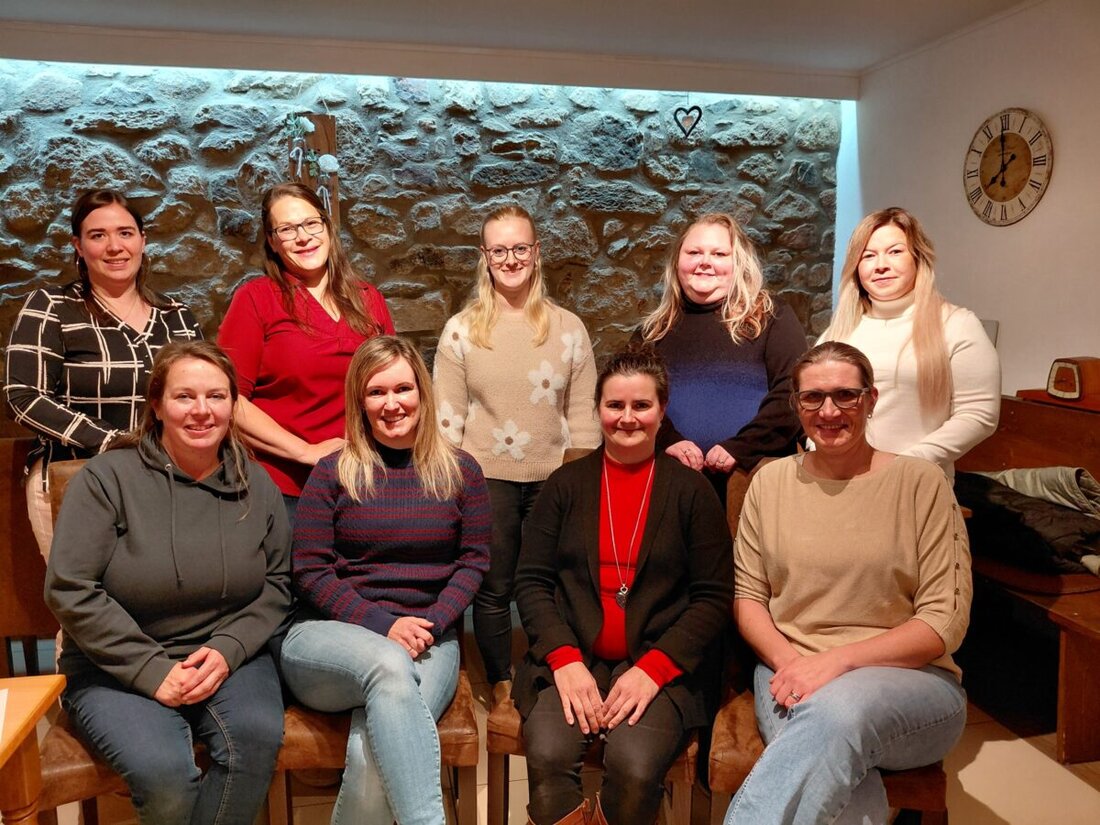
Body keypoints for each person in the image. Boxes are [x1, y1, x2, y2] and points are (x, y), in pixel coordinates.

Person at [44, 340, 292, 825]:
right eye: (184, 397)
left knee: (256, 738)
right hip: (115, 664)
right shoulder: (107, 478)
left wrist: (228, 648)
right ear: (156, 405)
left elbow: (279, 584)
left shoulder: (256, 482)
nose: (202, 411)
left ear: (233, 406)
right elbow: (69, 587)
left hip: (227, 658)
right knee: (165, 776)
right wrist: (152, 670)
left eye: (217, 397)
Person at [725, 341, 972, 825]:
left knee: (838, 715)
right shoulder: (770, 483)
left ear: (872, 399)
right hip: (788, 673)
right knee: (841, 772)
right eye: (813, 398)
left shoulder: (921, 483)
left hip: (911, 684)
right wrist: (793, 664)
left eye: (846, 396)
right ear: (796, 406)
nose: (829, 411)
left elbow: (943, 623)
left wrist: (834, 665)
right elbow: (748, 599)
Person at [514, 346, 733, 825]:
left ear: (662, 410)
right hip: (573, 657)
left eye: (641, 405)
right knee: (549, 755)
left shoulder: (692, 492)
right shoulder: (565, 484)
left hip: (660, 662)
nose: (627, 418)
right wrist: (564, 660)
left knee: (633, 766)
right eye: (615, 405)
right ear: (598, 409)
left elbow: (713, 598)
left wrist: (655, 668)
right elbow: (531, 582)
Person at [281, 335, 491, 825]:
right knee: (389, 665)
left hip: (429, 637)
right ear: (359, 401)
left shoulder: (462, 472)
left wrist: (433, 621)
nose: (392, 404)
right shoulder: (333, 472)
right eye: (376, 392)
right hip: (327, 639)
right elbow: (310, 570)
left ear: (423, 392)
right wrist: (384, 625)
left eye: (403, 389)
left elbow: (473, 562)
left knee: (370, 754)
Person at [433, 204, 599, 702]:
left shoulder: (568, 328)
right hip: (485, 478)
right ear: (484, 257)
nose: (511, 259)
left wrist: (581, 486)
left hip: (556, 478)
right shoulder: (461, 330)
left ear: (537, 252)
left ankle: (553, 671)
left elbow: (585, 418)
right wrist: (454, 487)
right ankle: (500, 681)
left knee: (552, 583)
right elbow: (447, 420)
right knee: (493, 585)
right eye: (499, 250)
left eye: (520, 248)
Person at [5, 188, 202, 557]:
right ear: (78, 246)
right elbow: (22, 398)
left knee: (162, 601)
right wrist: (114, 441)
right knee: (86, 606)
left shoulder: (177, 316)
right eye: (98, 236)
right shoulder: (52, 307)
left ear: (143, 241)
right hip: (77, 479)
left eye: (125, 233)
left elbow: (202, 394)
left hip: (167, 482)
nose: (115, 246)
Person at [218, 182, 395, 521]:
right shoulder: (256, 299)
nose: (303, 237)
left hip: (362, 480)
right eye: (287, 229)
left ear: (327, 227)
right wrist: (306, 452)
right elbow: (228, 400)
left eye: (311, 223)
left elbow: (393, 384)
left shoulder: (368, 298)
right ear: (272, 241)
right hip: (285, 489)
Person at [822, 206, 1000, 475]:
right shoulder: (838, 332)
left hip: (914, 484)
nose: (881, 265)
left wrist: (907, 463)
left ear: (918, 258)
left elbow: (979, 414)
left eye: (895, 251)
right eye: (868, 255)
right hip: (838, 482)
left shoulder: (956, 325)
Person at [638, 212, 805, 490]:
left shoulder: (772, 317)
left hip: (753, 480)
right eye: (694, 252)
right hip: (669, 483)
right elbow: (632, 398)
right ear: (677, 261)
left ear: (737, 262)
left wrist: (741, 448)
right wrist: (669, 441)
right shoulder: (653, 331)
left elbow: (794, 391)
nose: (705, 262)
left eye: (719, 253)